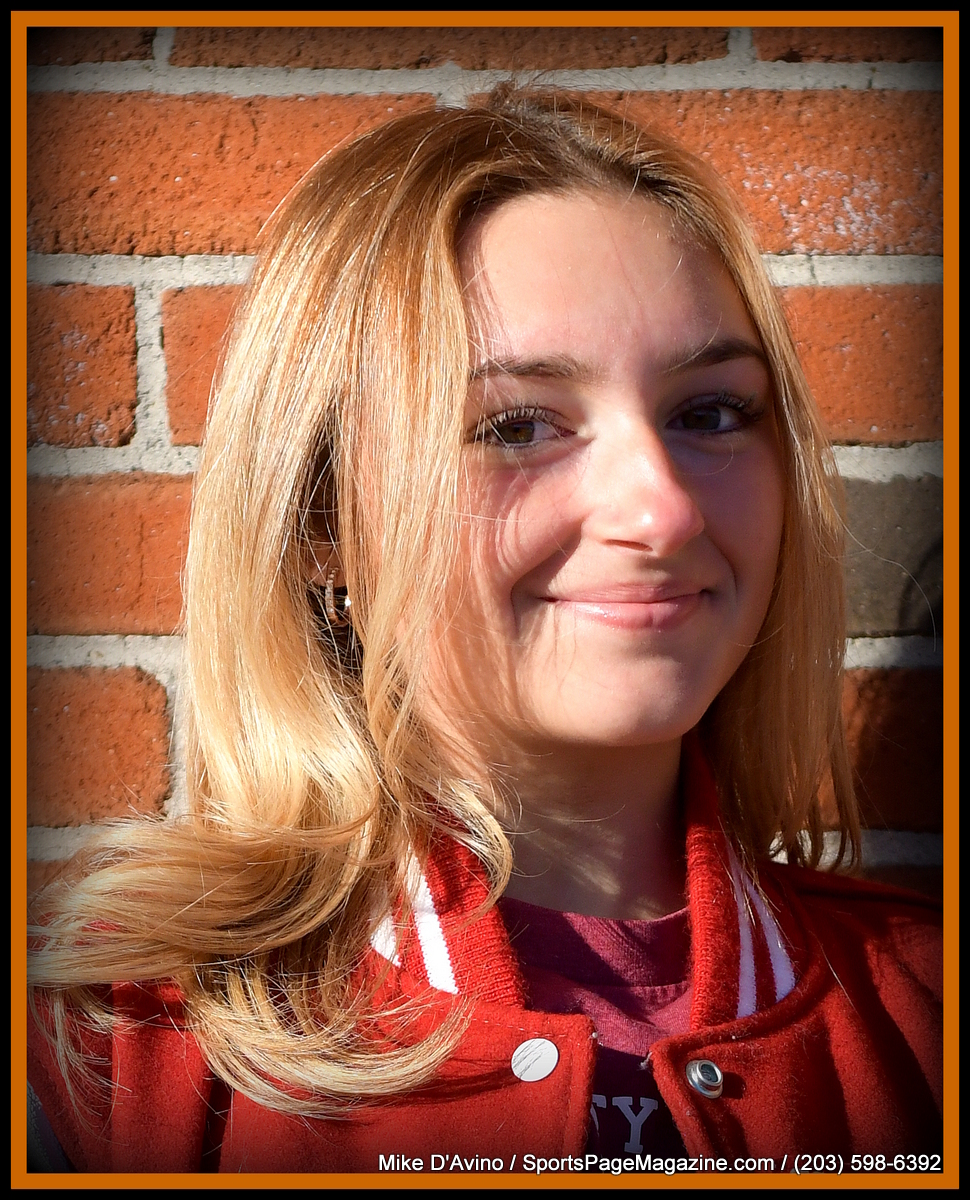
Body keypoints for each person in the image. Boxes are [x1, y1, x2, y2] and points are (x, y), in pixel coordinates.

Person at [27, 85, 942, 1175]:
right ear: (323, 523)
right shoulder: (114, 1040)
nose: (661, 509)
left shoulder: (923, 1005)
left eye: (709, 412)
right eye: (515, 425)